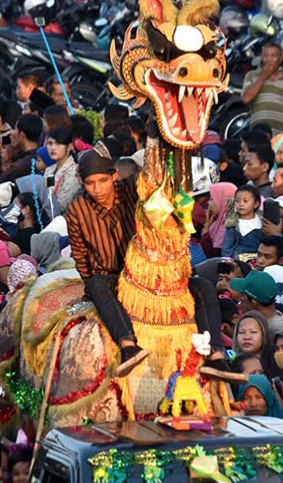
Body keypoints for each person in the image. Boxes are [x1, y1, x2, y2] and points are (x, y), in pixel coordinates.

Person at [67, 149, 228, 379]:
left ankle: (216, 356)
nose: (98, 189)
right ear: (82, 183)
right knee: (97, 285)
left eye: (103, 181)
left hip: (154, 271)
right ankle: (128, 345)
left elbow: (155, 180)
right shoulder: (76, 210)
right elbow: (80, 255)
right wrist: (91, 282)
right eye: (90, 183)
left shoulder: (132, 192)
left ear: (114, 176)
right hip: (112, 276)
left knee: (203, 287)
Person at [241, 43, 283, 137]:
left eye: (273, 56)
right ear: (261, 57)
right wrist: (263, 76)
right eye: (266, 56)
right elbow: (246, 98)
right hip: (258, 134)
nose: (269, 60)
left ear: (281, 58)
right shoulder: (251, 75)